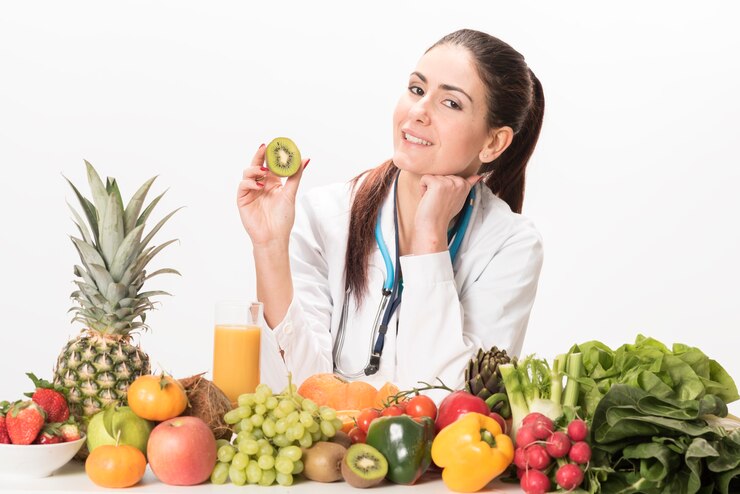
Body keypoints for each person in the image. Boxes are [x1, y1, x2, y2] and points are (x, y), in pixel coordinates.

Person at [238, 29, 545, 399]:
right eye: (417, 89)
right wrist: (270, 246)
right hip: (330, 454)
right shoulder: (326, 216)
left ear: (493, 142)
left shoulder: (510, 246)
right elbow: (294, 389)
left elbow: (448, 402)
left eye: (451, 103)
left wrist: (428, 240)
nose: (418, 112)